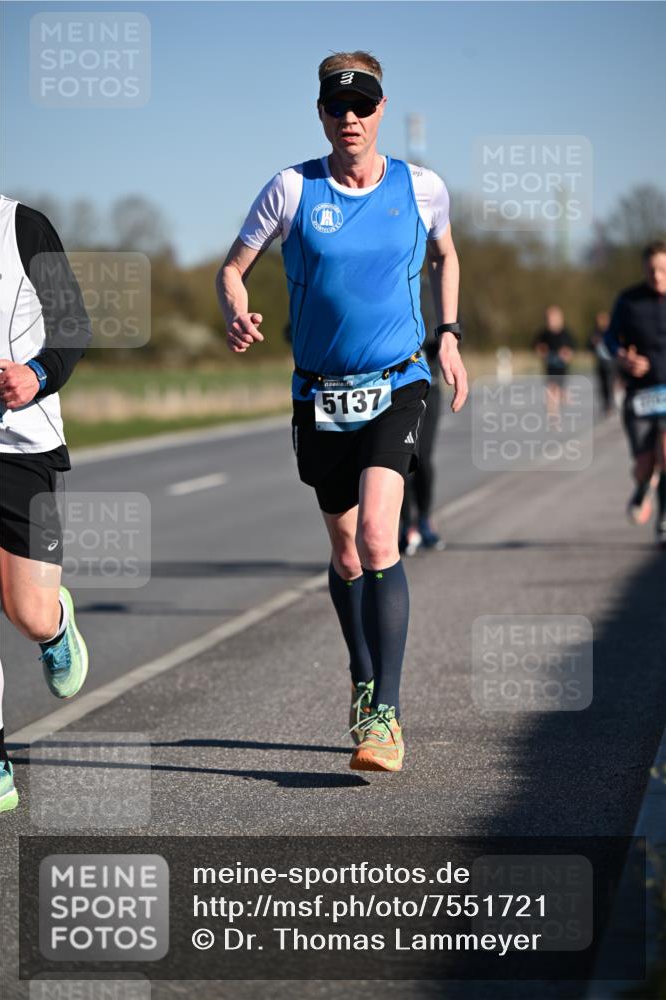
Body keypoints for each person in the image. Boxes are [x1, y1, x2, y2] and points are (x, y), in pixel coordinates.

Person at [216, 51, 467, 772]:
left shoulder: (421, 188)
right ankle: (362, 677)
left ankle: (385, 717)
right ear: (321, 113)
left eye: (362, 105)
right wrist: (234, 309)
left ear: (381, 109)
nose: (349, 118)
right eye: (337, 106)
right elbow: (232, 268)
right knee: (348, 551)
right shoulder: (291, 189)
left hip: (397, 383)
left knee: (382, 538)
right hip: (320, 394)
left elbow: (446, 256)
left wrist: (448, 334)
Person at [0, 195, 91, 812]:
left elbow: (73, 325)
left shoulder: (21, 226)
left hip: (21, 447)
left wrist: (36, 373)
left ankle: (54, 626)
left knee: (27, 612)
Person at [604, 240, 666, 546]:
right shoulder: (629, 300)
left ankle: (664, 519)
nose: (657, 276)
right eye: (652, 269)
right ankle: (643, 486)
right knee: (644, 465)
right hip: (640, 394)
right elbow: (609, 338)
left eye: (663, 269)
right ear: (644, 269)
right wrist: (623, 357)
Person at [399, 279, 445, 555]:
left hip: (430, 386)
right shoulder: (390, 280)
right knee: (401, 461)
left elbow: (453, 329)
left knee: (423, 458)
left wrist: (442, 344)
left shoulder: (433, 289)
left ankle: (425, 518)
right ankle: (406, 525)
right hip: (395, 389)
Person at [533, 306, 576, 418]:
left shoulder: (566, 334)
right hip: (550, 367)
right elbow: (537, 348)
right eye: (549, 319)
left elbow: (572, 350)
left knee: (560, 392)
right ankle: (553, 415)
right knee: (551, 390)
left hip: (562, 368)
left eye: (553, 318)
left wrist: (566, 354)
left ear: (560, 319)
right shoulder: (543, 334)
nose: (551, 321)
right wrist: (542, 351)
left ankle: (563, 396)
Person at [587, 310, 616, 418]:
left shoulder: (612, 332)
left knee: (610, 384)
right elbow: (589, 346)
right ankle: (606, 405)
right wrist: (593, 343)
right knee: (602, 385)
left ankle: (611, 404)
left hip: (612, 363)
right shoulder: (595, 333)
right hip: (600, 363)